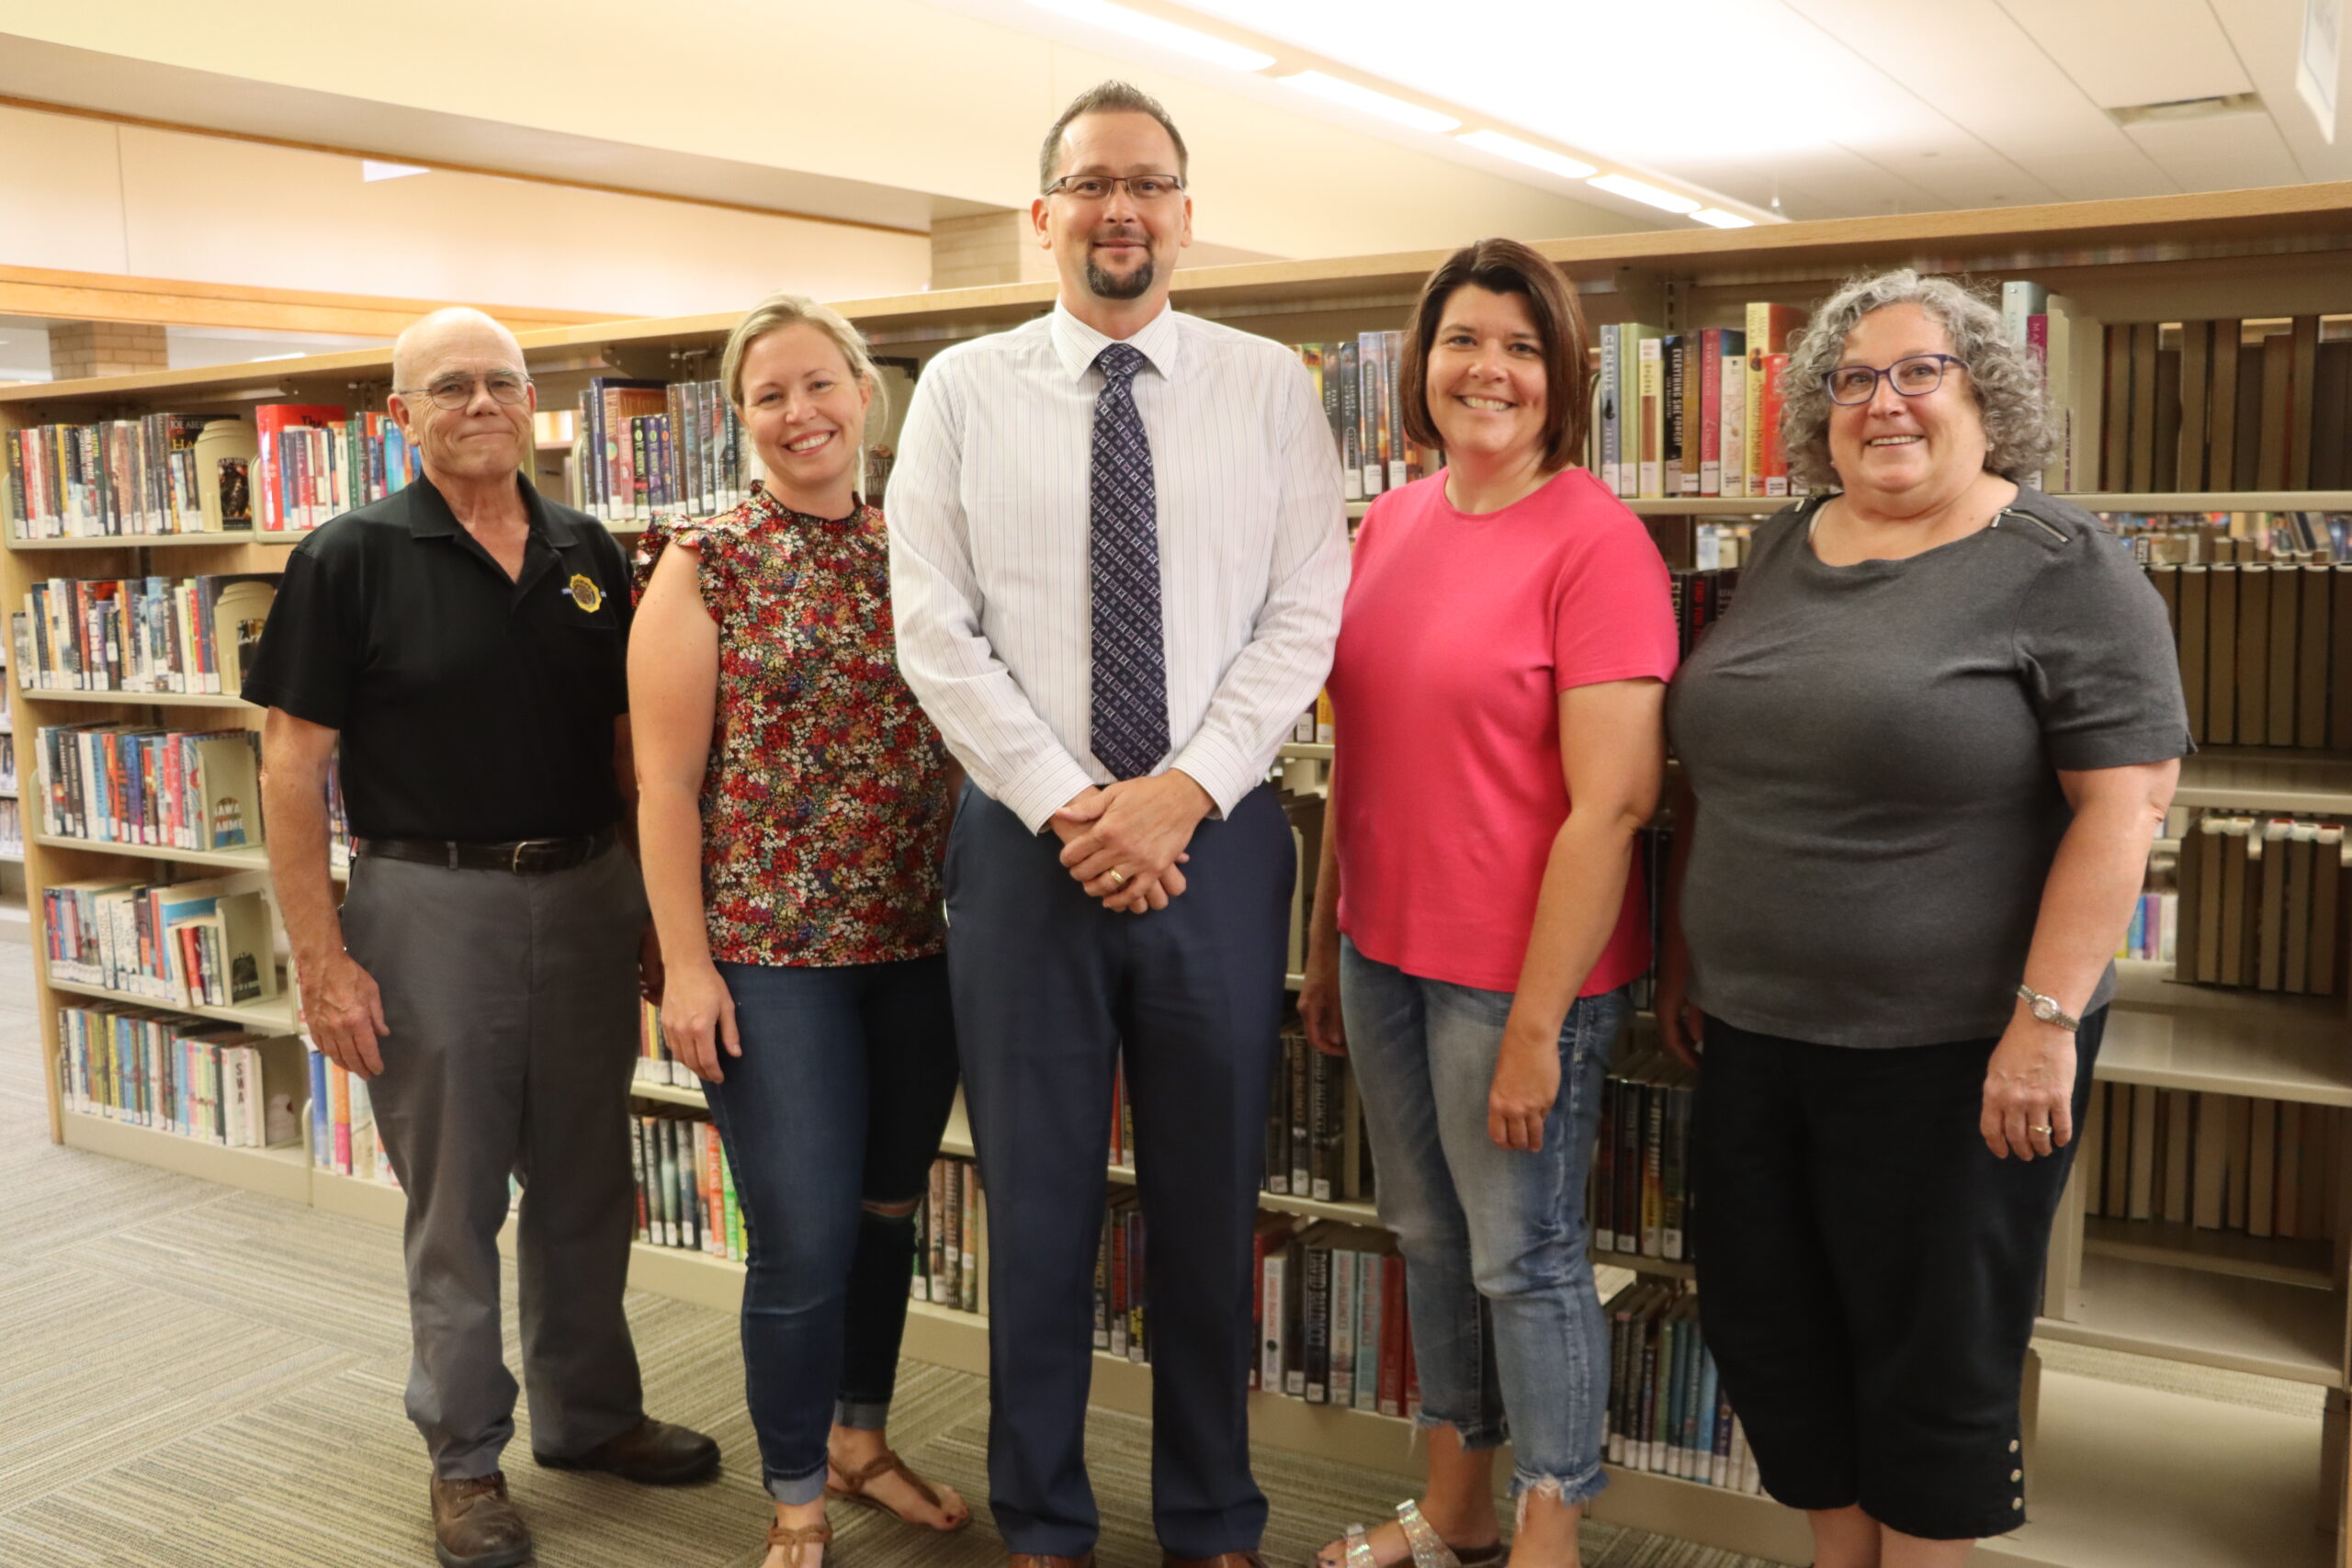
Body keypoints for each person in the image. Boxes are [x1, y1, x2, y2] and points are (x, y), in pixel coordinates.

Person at [1657, 269, 2188, 1568]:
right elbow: (1730, 776)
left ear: (1986, 395)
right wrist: (1690, 954)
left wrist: (2045, 1022)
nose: (1882, 403)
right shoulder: (1782, 548)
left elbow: (2123, 810)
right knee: (1775, 1326)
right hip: (1756, 1033)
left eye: (1918, 372)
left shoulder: (2068, 568)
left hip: (1959, 1054)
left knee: (1932, 1359)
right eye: (1852, 380)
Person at [887, 78, 1350, 1568]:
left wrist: (1181, 792)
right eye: (1090, 184)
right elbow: (933, 630)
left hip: (1212, 851)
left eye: (1148, 184)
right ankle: (1043, 1518)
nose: (1120, 209)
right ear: (1043, 217)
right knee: (1035, 1209)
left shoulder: (1271, 386)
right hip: (1027, 859)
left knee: (1213, 1206)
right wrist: (1077, 804)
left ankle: (1213, 1517)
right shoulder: (961, 390)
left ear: (1186, 217)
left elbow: (1303, 618)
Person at [244, 308, 718, 1568]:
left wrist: (665, 921)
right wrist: (324, 957)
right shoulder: (348, 554)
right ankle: (465, 1461)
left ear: (532, 403)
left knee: (585, 1178)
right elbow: (291, 767)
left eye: (503, 381)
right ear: (401, 416)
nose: (480, 402)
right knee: (454, 1200)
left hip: (587, 891)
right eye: (447, 386)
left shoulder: (589, 548)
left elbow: (634, 746)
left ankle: (590, 1414)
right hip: (427, 901)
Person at [1298, 239, 1678, 1568]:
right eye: (1465, 339)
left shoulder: (1599, 543)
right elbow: (1359, 753)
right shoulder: (1390, 524)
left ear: (1563, 375)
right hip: (1381, 953)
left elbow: (1615, 805)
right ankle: (1452, 1510)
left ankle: (1549, 1526)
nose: (1490, 370)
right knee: (1429, 1238)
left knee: (1526, 1257)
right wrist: (1321, 935)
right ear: (1423, 361)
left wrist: (1533, 1028)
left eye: (1521, 347)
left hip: (1520, 978)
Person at [629, 292, 967, 1568]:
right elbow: (663, 787)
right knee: (805, 1235)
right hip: (771, 961)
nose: (798, 413)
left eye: (818, 384)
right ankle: (794, 1500)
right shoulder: (703, 559)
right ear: (741, 419)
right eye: (768, 395)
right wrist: (688, 967)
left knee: (888, 1212)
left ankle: (859, 1441)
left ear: (866, 393)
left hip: (917, 948)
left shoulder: (923, 549)